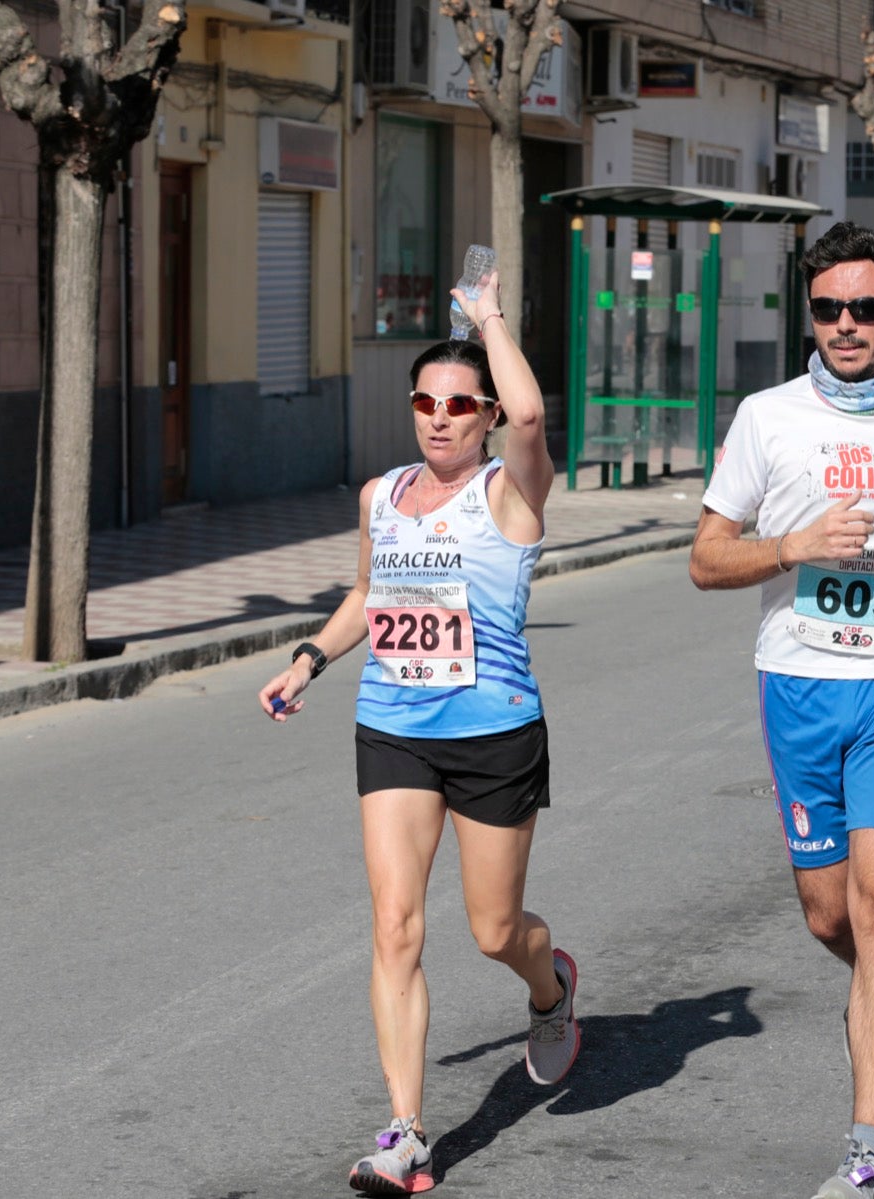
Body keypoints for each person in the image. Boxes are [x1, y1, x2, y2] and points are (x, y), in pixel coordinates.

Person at [688, 222, 874, 1199]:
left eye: (867, 308)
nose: (847, 326)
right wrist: (792, 546)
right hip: (801, 687)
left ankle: (868, 1148)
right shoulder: (767, 418)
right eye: (828, 309)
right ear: (809, 313)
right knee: (835, 914)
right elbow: (705, 558)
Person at [258, 274, 575, 1196]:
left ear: (481, 416)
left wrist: (491, 320)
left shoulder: (512, 494)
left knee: (492, 928)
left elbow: (530, 416)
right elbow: (368, 594)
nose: (440, 419)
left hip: (494, 732)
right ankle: (405, 1131)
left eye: (458, 405)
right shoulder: (382, 495)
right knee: (395, 924)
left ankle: (549, 986)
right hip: (392, 723)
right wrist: (309, 658)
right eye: (425, 403)